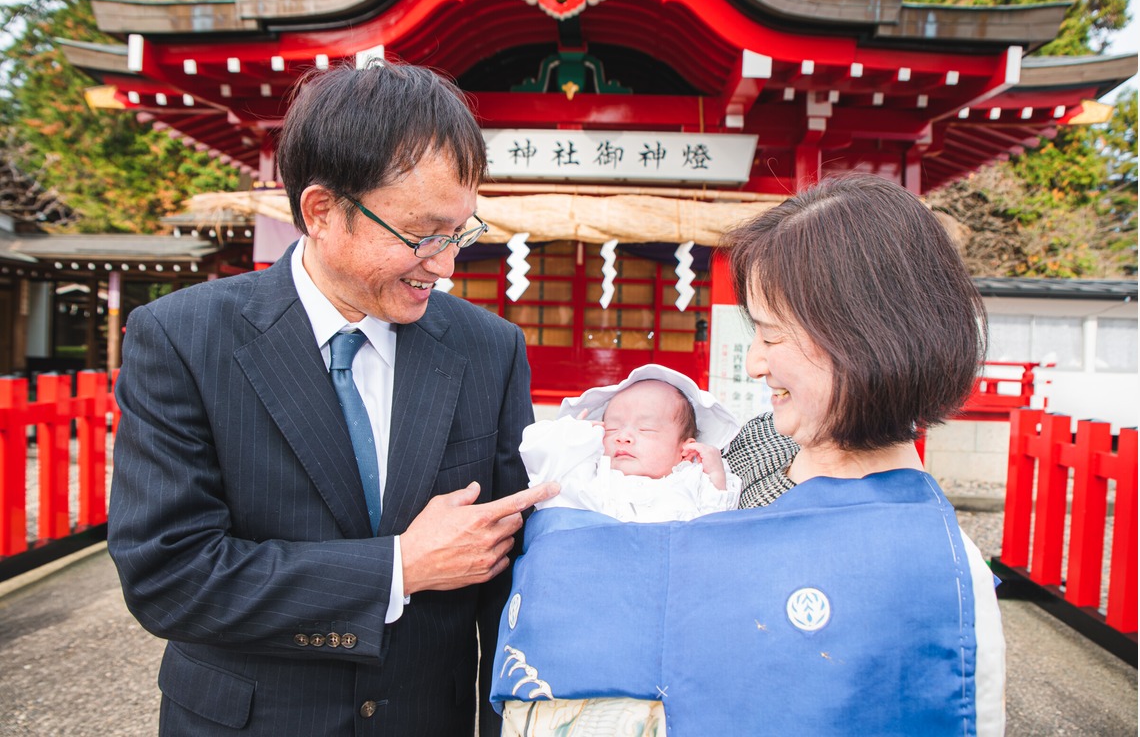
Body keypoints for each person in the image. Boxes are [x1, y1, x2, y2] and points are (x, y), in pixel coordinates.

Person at [107, 61, 556, 737]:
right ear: (321, 212)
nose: (444, 263)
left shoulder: (489, 350)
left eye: (459, 232)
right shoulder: (181, 339)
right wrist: (398, 568)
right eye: (420, 234)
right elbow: (170, 576)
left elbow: (508, 584)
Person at [490, 174, 1004, 736]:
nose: (754, 363)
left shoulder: (946, 573)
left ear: (864, 339)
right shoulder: (747, 450)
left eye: (773, 335)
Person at [521, 364, 742, 522]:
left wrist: (715, 476)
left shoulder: (690, 479)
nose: (623, 436)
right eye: (613, 428)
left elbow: (717, 522)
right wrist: (570, 442)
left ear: (685, 450)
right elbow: (545, 473)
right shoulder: (593, 475)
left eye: (646, 429)